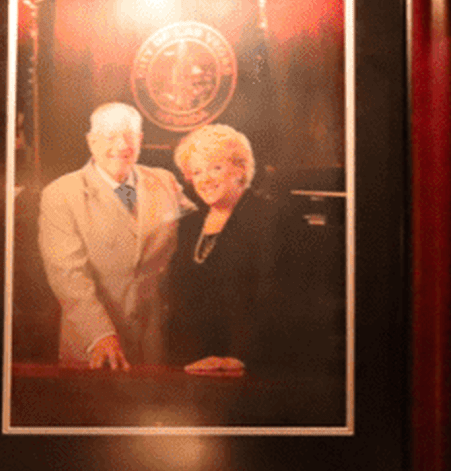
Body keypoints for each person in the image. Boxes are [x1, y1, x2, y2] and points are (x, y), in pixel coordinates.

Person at [38, 102, 191, 369]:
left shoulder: (165, 182)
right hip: (93, 348)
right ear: (91, 141)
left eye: (129, 136)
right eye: (110, 137)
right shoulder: (61, 194)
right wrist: (101, 335)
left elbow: (204, 228)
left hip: (157, 345)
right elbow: (67, 275)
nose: (121, 146)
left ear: (140, 140)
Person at [167, 123, 280, 377]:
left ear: (240, 169)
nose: (205, 179)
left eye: (216, 168)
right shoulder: (190, 224)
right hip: (191, 364)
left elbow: (274, 299)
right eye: (197, 172)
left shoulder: (268, 218)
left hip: (249, 367)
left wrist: (239, 357)